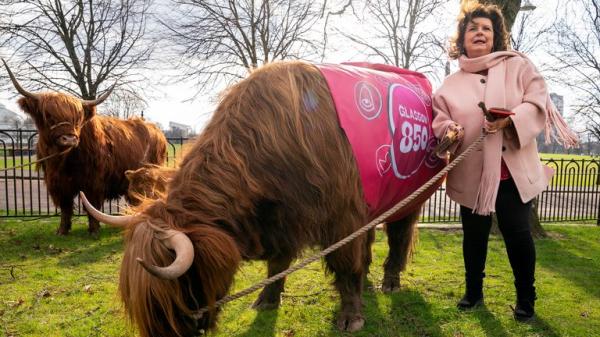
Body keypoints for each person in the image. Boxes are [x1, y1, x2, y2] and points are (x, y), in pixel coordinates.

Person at [432, 2, 578, 322]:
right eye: (473, 29)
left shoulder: (519, 66)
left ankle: (526, 298)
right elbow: (440, 120)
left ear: (496, 36)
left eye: (486, 28)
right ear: (463, 38)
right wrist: (449, 131)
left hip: (511, 172)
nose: (480, 33)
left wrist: (510, 121)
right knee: (474, 237)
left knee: (517, 234)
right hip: (472, 173)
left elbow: (537, 99)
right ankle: (473, 293)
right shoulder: (449, 85)